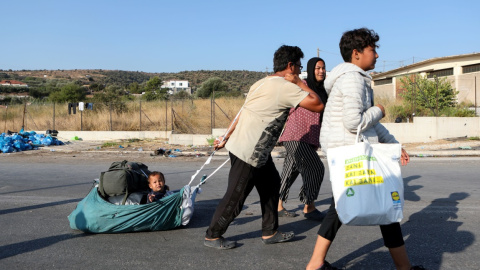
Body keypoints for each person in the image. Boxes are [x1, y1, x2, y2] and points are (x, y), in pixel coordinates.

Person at [306, 28, 425, 270]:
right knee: (385, 208)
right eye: (373, 50)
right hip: (353, 151)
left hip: (351, 150)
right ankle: (404, 268)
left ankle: (315, 264)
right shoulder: (352, 79)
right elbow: (355, 122)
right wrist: (379, 109)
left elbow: (368, 126)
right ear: (356, 53)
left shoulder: (353, 78)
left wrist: (393, 144)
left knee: (348, 208)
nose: (377, 55)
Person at [204, 45, 324, 250]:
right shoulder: (285, 86)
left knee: (271, 184)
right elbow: (318, 104)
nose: (299, 71)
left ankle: (270, 232)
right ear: (290, 66)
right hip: (250, 149)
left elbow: (242, 112)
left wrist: (226, 136)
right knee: (236, 194)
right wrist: (299, 83)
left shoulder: (260, 83)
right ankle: (213, 235)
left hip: (253, 147)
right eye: (299, 66)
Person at [277, 57, 328, 221]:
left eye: (323, 68)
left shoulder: (323, 90)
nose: (321, 71)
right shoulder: (301, 85)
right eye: (317, 68)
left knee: (290, 171)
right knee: (316, 168)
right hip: (296, 134)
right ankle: (309, 206)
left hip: (308, 136)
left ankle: (277, 205)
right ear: (311, 69)